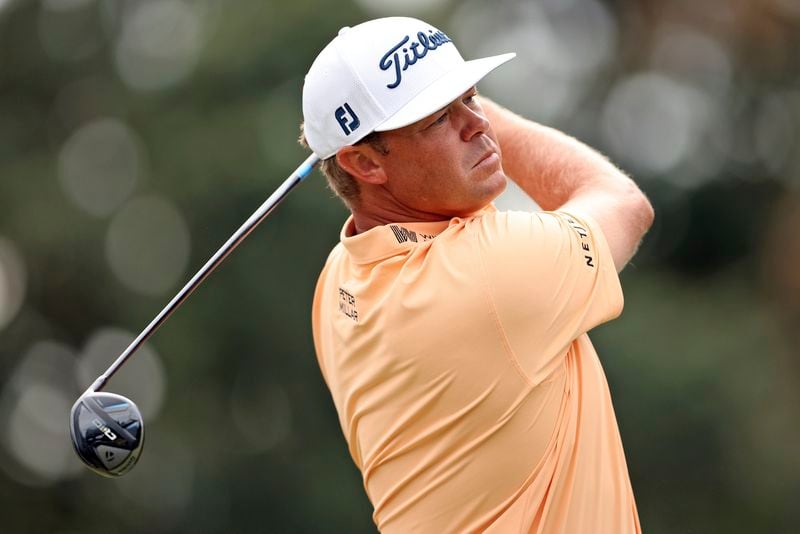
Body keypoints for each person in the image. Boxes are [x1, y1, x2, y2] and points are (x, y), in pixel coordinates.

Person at [301, 16, 654, 534]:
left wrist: (441, 99)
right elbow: (622, 202)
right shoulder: (488, 274)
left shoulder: (338, 283)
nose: (477, 123)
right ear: (364, 163)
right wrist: (481, 115)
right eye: (438, 118)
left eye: (473, 97)